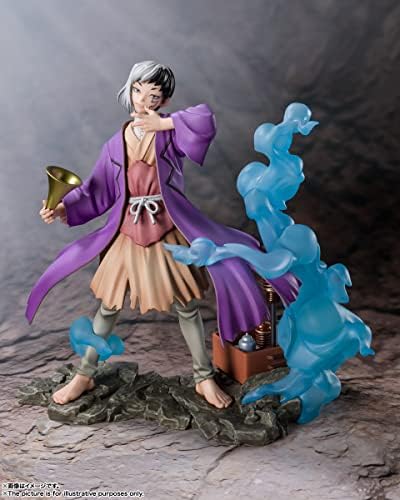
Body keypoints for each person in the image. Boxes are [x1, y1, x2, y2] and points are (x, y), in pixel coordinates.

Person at [27, 61, 298, 409]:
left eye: (153, 95)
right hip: (127, 231)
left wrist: (166, 124)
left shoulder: (169, 132)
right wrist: (63, 208)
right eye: (138, 91)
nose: (144, 100)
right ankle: (84, 373)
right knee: (108, 307)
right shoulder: (115, 143)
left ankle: (203, 377)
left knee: (186, 306)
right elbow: (96, 190)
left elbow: (204, 119)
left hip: (167, 227)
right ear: (129, 90)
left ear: (164, 101)